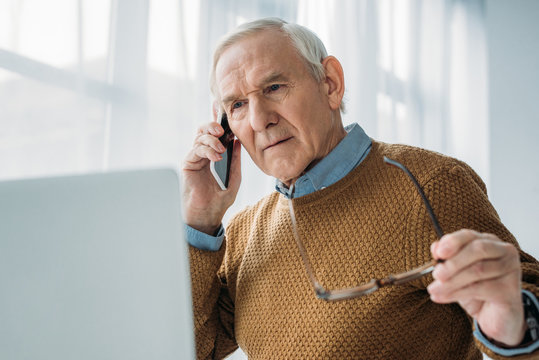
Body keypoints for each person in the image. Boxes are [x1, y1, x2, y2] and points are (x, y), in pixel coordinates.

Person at [182, 17, 539, 359]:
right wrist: (200, 219)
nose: (260, 120)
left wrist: (514, 325)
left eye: (274, 88)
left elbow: (519, 298)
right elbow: (196, 349)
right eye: (238, 105)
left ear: (331, 83)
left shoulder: (430, 184)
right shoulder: (243, 232)